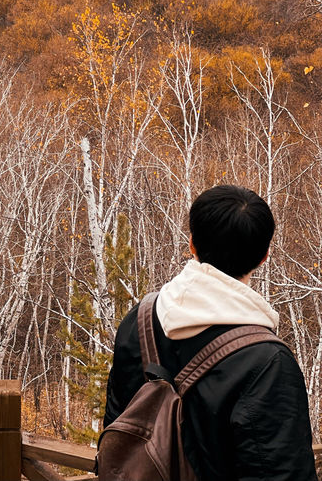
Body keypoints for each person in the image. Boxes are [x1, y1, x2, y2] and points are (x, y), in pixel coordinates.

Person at [102, 185, 317, 481]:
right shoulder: (267, 362)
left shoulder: (138, 320)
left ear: (191, 244)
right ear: (264, 256)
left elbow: (116, 423)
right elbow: (283, 472)